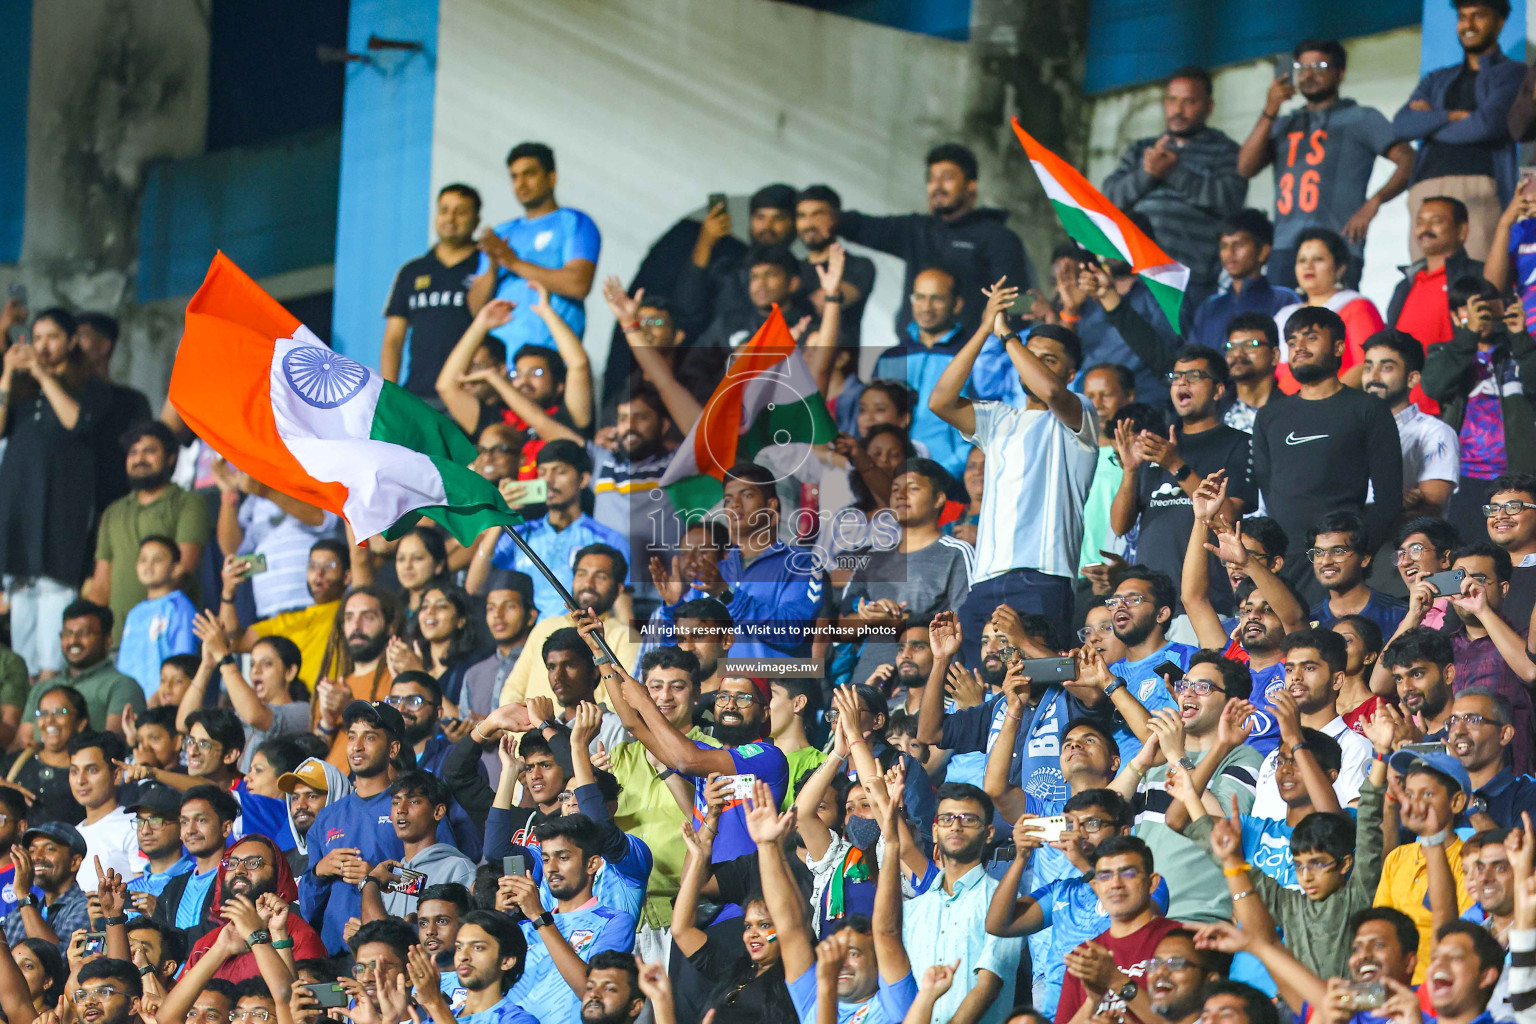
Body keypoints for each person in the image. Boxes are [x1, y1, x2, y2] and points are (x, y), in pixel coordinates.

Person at [931, 280, 1097, 661]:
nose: (1033, 363)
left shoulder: (1079, 414)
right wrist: (985, 327)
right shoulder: (998, 418)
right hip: (984, 581)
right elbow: (940, 401)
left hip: (1043, 577)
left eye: (1048, 360)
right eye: (1030, 355)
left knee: (1035, 686)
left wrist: (1008, 336)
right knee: (976, 693)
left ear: (1070, 374)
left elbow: (1053, 394)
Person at [1173, 718, 1386, 980]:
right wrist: (1222, 745)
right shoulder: (1252, 830)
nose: (1285, 770)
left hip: (1313, 994)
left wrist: (1380, 755)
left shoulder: (1344, 828)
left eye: (1297, 761)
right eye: (1281, 761)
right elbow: (1178, 819)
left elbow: (1360, 822)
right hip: (1249, 982)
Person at [1237, 39, 1414, 288]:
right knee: (1282, 324)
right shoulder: (1284, 122)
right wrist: (1270, 110)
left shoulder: (1362, 117)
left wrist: (1375, 202)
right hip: (1286, 248)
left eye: (1319, 66)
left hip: (1338, 245)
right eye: (1302, 67)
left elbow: (1408, 159)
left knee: (1328, 324)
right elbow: (1245, 167)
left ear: (1340, 73)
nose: (1308, 74)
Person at [1251, 306, 1404, 585]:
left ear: (1338, 347)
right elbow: (1268, 490)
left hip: (1343, 564)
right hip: (1286, 564)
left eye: (1310, 338)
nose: (1299, 348)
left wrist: (1356, 554)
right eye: (1292, 342)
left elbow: (1389, 499)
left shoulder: (1367, 409)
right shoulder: (1269, 416)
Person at [984, 789, 1166, 1018]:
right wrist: (1022, 856)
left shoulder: (1144, 882)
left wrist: (1084, 864)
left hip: (1118, 1014)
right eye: (1072, 826)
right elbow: (998, 924)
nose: (1079, 835)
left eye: (1092, 824)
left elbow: (1146, 920)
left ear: (1123, 832)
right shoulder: (1062, 889)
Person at [0, 308, 111, 678]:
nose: (42, 345)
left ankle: (51, 692)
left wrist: (43, 375)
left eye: (52, 337)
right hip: (19, 521)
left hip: (58, 522)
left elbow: (75, 421)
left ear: (70, 342)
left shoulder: (87, 386)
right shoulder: (21, 392)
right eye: (37, 337)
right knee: (22, 630)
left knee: (53, 622)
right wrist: (6, 376)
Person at [839, 143, 1034, 337]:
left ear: (971, 185)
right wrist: (827, 218)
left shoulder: (998, 238)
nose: (937, 186)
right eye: (931, 179)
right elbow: (861, 226)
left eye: (947, 178)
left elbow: (1020, 302)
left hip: (971, 358)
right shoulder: (915, 229)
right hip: (910, 352)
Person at [1109, 347, 1255, 604]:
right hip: (1149, 603)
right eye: (1176, 377)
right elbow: (1120, 525)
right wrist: (1130, 470)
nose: (1182, 382)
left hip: (1206, 600)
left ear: (1218, 390)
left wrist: (1177, 466)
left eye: (1194, 376)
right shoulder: (1158, 445)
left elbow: (1228, 515)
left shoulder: (1238, 443)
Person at [1102, 66, 1247, 312]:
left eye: (1189, 101)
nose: (1178, 110)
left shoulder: (1225, 150)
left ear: (1209, 106)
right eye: (1172, 100)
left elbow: (1229, 199)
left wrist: (1174, 172)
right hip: (1133, 276)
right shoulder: (1142, 149)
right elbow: (1109, 197)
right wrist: (1146, 174)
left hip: (1188, 279)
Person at [1393, 0, 1524, 261]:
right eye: (1463, 17)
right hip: (1425, 190)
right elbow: (1402, 125)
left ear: (1499, 22)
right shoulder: (1436, 78)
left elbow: (1486, 126)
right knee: (1425, 281)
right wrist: (1452, 116)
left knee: (1477, 284)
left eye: (1478, 16)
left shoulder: (1512, 73)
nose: (1468, 24)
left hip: (1478, 189)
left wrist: (1430, 124)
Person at [838, 458, 973, 687]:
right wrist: (868, 618)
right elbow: (841, 630)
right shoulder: (873, 557)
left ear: (939, 499)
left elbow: (964, 627)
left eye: (913, 488)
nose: (900, 495)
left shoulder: (957, 553)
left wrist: (902, 620)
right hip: (866, 688)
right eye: (895, 490)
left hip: (924, 691)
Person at [299, 701, 418, 953]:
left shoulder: (414, 806)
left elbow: (438, 885)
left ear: (393, 748)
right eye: (352, 736)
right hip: (333, 954)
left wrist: (377, 879)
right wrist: (320, 872)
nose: (357, 746)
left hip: (391, 950)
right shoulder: (327, 817)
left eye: (370, 737)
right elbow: (308, 909)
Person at [900, 783, 1024, 1024]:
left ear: (989, 833)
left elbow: (990, 984)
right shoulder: (912, 911)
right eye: (947, 818)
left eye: (968, 819)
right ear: (935, 831)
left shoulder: (1003, 900)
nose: (956, 825)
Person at [1422, 281, 1536, 541]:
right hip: (1463, 478)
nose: (1481, 316)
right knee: (1465, 558)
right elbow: (1434, 386)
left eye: (1487, 307)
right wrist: (1467, 336)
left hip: (1517, 478)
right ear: (1455, 314)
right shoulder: (1445, 353)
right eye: (1473, 308)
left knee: (1514, 559)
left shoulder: (1521, 350)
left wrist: (1520, 337)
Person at [498, 817, 636, 1024]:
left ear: (592, 864)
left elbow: (589, 990)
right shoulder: (523, 928)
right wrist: (497, 919)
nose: (551, 868)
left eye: (562, 858)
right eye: (545, 859)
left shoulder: (615, 922)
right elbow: (481, 988)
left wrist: (539, 916)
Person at [470, 442, 628, 620]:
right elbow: (474, 587)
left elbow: (623, 606)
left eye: (559, 472)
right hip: (528, 641)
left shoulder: (608, 538)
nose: (548, 481)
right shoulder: (521, 533)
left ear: (583, 479)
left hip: (579, 639)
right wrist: (500, 517)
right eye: (542, 473)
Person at [84, 421, 209, 646]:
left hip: (169, 638)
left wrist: (144, 620)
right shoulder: (113, 512)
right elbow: (101, 586)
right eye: (133, 452)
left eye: (149, 451)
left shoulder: (188, 503)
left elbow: (184, 570)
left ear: (171, 458)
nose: (139, 458)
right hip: (118, 642)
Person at [469, 142, 600, 348]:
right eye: (514, 177)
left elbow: (578, 284)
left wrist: (512, 261)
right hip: (500, 361)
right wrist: (494, 267)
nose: (521, 184)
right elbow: (475, 308)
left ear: (551, 178)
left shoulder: (574, 222)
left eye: (529, 174)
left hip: (551, 359)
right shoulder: (501, 233)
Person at [1053, 834, 1182, 1024]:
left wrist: (1116, 981)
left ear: (1152, 883)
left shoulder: (1181, 940)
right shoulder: (1085, 956)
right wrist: (1093, 1001)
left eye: (1128, 873)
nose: (1115, 884)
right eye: (1105, 876)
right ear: (1095, 885)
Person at [1248, 628, 1375, 818]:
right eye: (1289, 669)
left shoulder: (1356, 748)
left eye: (1309, 668)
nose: (1296, 676)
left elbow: (1359, 828)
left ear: (1337, 680)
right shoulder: (1274, 757)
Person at [499, 545, 639, 713]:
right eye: (581, 574)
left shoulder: (625, 636)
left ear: (619, 589)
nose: (588, 583)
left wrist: (567, 733)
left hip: (590, 734)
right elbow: (512, 691)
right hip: (530, 734)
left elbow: (619, 706)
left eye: (600, 577)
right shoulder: (545, 627)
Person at [1379, 746, 1476, 981]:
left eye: (1428, 795)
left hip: (1440, 985)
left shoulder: (1470, 863)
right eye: (1410, 795)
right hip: (1391, 986)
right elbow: (1382, 927)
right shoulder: (1397, 858)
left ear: (1456, 802)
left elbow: (1456, 936)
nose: (1416, 804)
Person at [381, 183, 482, 401]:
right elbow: (393, 339)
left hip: (471, 393)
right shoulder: (413, 271)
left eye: (460, 212)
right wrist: (390, 393)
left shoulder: (485, 266)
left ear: (476, 219)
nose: (450, 218)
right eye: (444, 210)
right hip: (418, 393)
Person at [212, 456, 340, 623]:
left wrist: (266, 491)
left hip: (317, 604)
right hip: (271, 611)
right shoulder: (254, 499)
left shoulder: (311, 474)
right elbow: (232, 549)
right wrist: (229, 494)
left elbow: (323, 519)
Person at [869, 267, 971, 476]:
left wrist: (944, 472)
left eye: (937, 299)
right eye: (920, 297)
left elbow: (983, 423)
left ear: (957, 304)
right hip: (891, 477)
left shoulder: (972, 355)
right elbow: (873, 420)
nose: (926, 307)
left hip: (951, 478)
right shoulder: (891, 357)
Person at [219, 539, 353, 691]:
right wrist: (228, 593)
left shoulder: (350, 614)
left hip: (334, 705)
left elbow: (361, 564)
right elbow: (235, 643)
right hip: (294, 708)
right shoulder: (287, 620)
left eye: (329, 566)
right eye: (313, 566)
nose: (319, 573)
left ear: (347, 577)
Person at [671, 183, 797, 340]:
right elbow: (686, 308)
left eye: (778, 218)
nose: (767, 226)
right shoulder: (728, 267)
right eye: (760, 217)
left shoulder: (803, 274)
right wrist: (706, 241)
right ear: (751, 220)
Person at [1361, 330, 1461, 519]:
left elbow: (1430, 510)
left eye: (1386, 368)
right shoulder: (1350, 428)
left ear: (1412, 378)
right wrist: (1391, 499)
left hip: (1401, 546)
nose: (1373, 377)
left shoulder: (1435, 433)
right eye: (1368, 367)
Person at [1272, 228, 1386, 390]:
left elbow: (1368, 364)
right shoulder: (1284, 315)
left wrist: (1324, 403)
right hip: (1286, 410)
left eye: (1318, 259)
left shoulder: (1357, 307)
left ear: (1340, 267)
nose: (1308, 266)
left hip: (1338, 409)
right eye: (1302, 260)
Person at [357, 771, 475, 921]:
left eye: (413, 802)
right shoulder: (391, 876)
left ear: (438, 811)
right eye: (395, 802)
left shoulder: (459, 870)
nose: (401, 809)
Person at [18, 601, 143, 739]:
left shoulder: (122, 685)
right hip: (36, 760)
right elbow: (22, 743)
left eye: (83, 633)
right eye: (68, 633)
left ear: (108, 639)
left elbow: (112, 746)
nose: (73, 641)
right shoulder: (43, 687)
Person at [1387, 197, 1485, 363]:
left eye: (1436, 221)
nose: (1425, 229)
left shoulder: (1477, 275)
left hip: (1462, 384)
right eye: (1419, 222)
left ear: (1461, 230)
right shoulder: (1405, 286)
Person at [1186, 210, 1300, 349]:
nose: (1229, 253)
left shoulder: (1284, 300)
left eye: (1238, 245)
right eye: (1224, 246)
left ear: (1263, 251)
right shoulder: (1209, 308)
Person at [409, 909, 540, 1024]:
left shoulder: (517, 1020)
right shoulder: (435, 1019)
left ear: (507, 961)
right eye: (459, 947)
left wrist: (435, 1004)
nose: (462, 956)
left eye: (477, 947)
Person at [113, 536, 198, 697]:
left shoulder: (180, 607)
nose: (148, 565)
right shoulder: (134, 613)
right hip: (130, 700)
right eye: (143, 559)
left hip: (161, 702)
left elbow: (182, 663)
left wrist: (159, 696)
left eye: (157, 560)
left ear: (176, 568)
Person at [150, 784, 236, 941]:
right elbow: (157, 939)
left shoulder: (235, 882)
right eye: (184, 822)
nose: (190, 830)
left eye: (201, 820)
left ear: (226, 827)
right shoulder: (172, 888)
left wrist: (173, 941)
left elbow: (218, 934)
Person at [794, 185, 876, 346]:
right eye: (802, 216)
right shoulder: (792, 268)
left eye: (817, 215)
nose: (808, 223)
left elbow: (822, 304)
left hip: (839, 364)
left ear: (835, 218)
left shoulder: (858, 266)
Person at [1305, 510, 1409, 632]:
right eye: (1318, 553)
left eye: (1338, 551)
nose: (1325, 561)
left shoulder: (1399, 614)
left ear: (1365, 559)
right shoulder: (1308, 621)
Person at [459, 572, 536, 730]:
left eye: (509, 606)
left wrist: (495, 729)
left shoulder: (541, 665)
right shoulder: (474, 674)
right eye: (491, 608)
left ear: (530, 616)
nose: (498, 615)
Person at [1449, 687, 1536, 827]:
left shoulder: (1528, 795)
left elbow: (1513, 848)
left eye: (1473, 720)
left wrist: (1469, 802)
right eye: (1453, 721)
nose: (1458, 730)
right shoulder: (1440, 794)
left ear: (1504, 734)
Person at [66, 730, 137, 888]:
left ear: (117, 775)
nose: (80, 780)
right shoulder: (71, 836)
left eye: (91, 770)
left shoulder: (133, 826)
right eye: (74, 771)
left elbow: (147, 889)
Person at [1, 820, 88, 948]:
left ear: (74, 862)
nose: (37, 857)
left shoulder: (86, 908)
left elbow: (59, 961)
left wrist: (24, 896)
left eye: (49, 849)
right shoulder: (19, 914)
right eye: (32, 851)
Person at [124, 784, 193, 900]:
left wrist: (158, 913)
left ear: (181, 825)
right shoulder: (129, 890)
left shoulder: (198, 880)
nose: (145, 831)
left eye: (155, 821)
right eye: (140, 821)